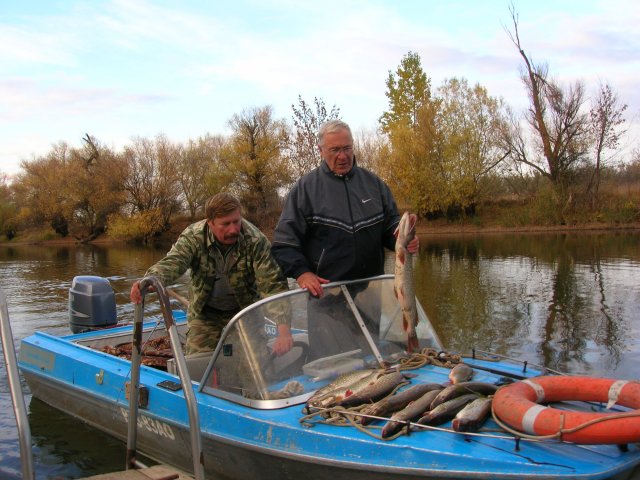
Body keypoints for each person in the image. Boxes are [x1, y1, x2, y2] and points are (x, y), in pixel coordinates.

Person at [271, 119, 419, 359]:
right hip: (326, 298)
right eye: (335, 150)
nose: (343, 156)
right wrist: (301, 272)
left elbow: (389, 226)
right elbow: (284, 244)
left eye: (347, 148)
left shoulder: (374, 185)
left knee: (372, 359)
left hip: (371, 292)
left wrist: (403, 240)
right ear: (320, 151)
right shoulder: (305, 190)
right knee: (333, 365)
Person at [130, 193, 292, 356]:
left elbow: (272, 284)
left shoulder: (256, 240)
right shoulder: (193, 237)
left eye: (237, 221)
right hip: (205, 312)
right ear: (210, 223)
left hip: (246, 311)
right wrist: (150, 280)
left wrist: (284, 331)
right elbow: (174, 262)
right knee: (198, 365)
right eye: (226, 224)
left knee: (254, 364)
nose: (234, 229)